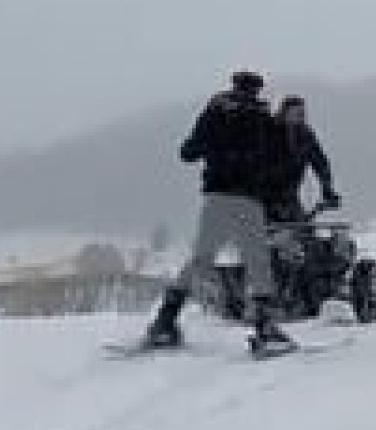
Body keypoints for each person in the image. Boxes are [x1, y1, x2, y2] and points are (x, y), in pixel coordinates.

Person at [143, 70, 296, 354]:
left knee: (201, 259)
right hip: (248, 198)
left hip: (215, 196)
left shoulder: (213, 113)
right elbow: (278, 161)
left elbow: (187, 152)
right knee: (257, 261)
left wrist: (215, 152)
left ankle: (165, 321)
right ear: (257, 90)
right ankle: (266, 329)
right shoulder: (261, 118)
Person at [267, 95, 340, 223]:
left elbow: (320, 163)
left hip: (289, 196)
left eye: (303, 113)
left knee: (302, 233)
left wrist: (327, 188)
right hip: (264, 197)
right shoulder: (268, 132)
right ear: (284, 113)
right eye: (297, 113)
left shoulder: (305, 135)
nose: (301, 116)